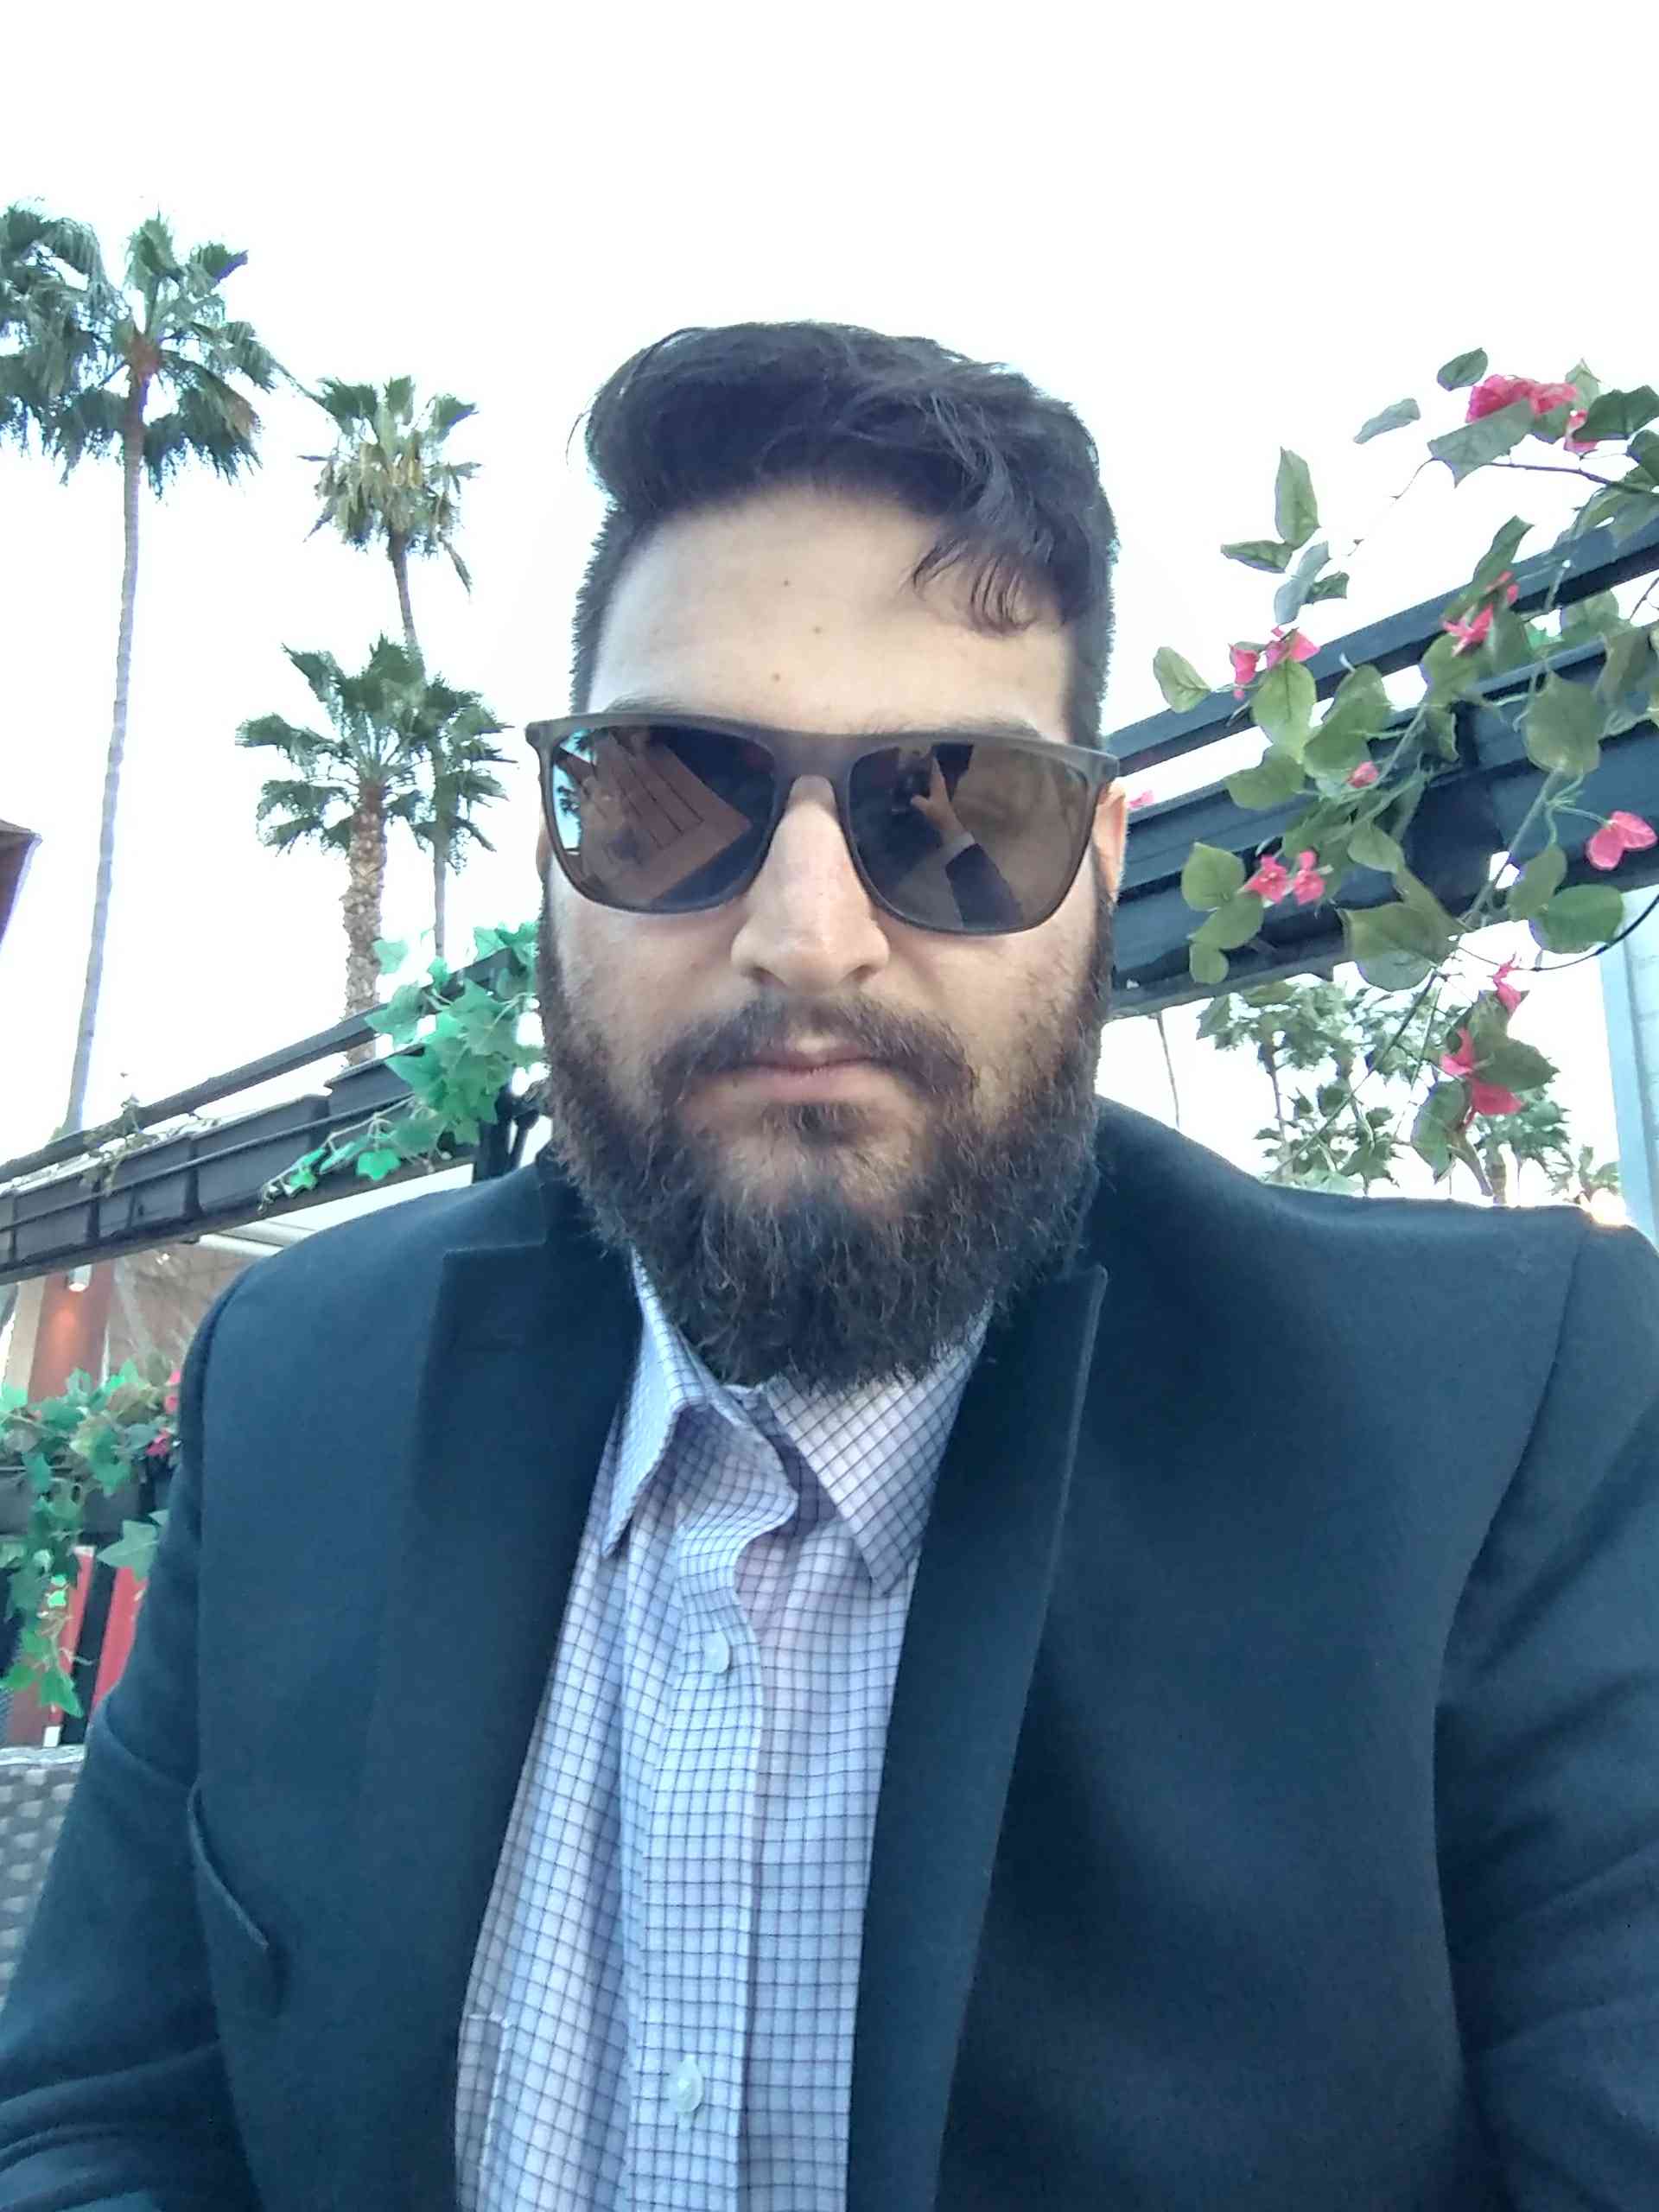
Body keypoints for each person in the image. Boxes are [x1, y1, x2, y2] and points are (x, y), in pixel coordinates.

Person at [0, 321, 1656, 2212]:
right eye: (672, 789)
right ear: (551, 847)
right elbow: (97, 2116)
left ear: (1101, 867)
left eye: (954, 809)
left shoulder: (1489, 1427)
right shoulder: (304, 1379)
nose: (808, 936)